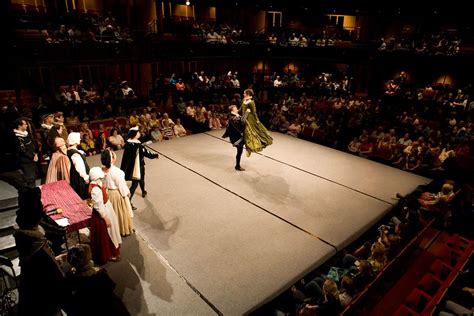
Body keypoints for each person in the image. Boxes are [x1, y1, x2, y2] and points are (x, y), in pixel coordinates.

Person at [14, 187, 71, 315]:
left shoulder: (27, 240)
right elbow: (56, 283)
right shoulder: (38, 249)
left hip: (31, 297)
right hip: (44, 305)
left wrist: (55, 259)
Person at [65, 244, 130, 316]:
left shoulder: (69, 274)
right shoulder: (99, 274)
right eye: (90, 253)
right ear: (88, 258)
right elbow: (110, 287)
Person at [88, 167, 122, 264]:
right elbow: (98, 206)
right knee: (107, 234)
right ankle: (109, 254)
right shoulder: (95, 189)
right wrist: (105, 217)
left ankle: (110, 252)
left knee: (108, 233)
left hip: (106, 209)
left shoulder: (96, 185)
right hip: (103, 213)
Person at [120, 127, 159, 202]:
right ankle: (128, 201)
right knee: (135, 184)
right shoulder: (138, 146)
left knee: (141, 179)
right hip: (137, 167)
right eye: (138, 132)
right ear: (135, 134)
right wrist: (155, 155)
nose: (139, 133)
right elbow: (147, 153)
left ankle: (143, 191)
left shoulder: (128, 144)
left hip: (130, 166)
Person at [101, 149, 134, 236]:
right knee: (120, 212)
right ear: (112, 159)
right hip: (115, 193)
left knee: (112, 212)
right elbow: (121, 185)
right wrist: (127, 193)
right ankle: (121, 230)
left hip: (107, 192)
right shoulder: (117, 172)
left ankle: (113, 230)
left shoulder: (101, 169)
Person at [240, 88, 273, 157]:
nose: (243, 94)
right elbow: (241, 108)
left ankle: (249, 148)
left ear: (248, 94)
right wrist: (236, 111)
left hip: (250, 119)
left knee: (249, 133)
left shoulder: (251, 102)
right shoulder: (244, 100)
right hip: (244, 117)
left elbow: (254, 112)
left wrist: (257, 120)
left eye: (244, 93)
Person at [222, 105, 249, 171]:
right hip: (236, 138)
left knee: (240, 151)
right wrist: (247, 113)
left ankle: (237, 165)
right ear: (232, 110)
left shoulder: (235, 115)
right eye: (236, 109)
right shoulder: (233, 118)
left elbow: (241, 117)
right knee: (239, 151)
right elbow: (242, 121)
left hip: (238, 136)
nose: (237, 109)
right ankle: (237, 166)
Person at [13, 117, 38, 188]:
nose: (27, 125)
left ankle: (33, 193)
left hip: (32, 158)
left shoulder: (25, 134)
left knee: (33, 177)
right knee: (30, 179)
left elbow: (31, 145)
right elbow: (23, 150)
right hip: (26, 161)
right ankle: (31, 195)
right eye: (25, 124)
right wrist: (32, 157)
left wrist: (35, 154)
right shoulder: (18, 137)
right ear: (19, 126)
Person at [67, 132, 90, 199]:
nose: (80, 139)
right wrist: (85, 177)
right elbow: (79, 167)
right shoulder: (74, 154)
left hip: (76, 178)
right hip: (79, 179)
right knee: (83, 196)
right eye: (78, 138)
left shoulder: (71, 151)